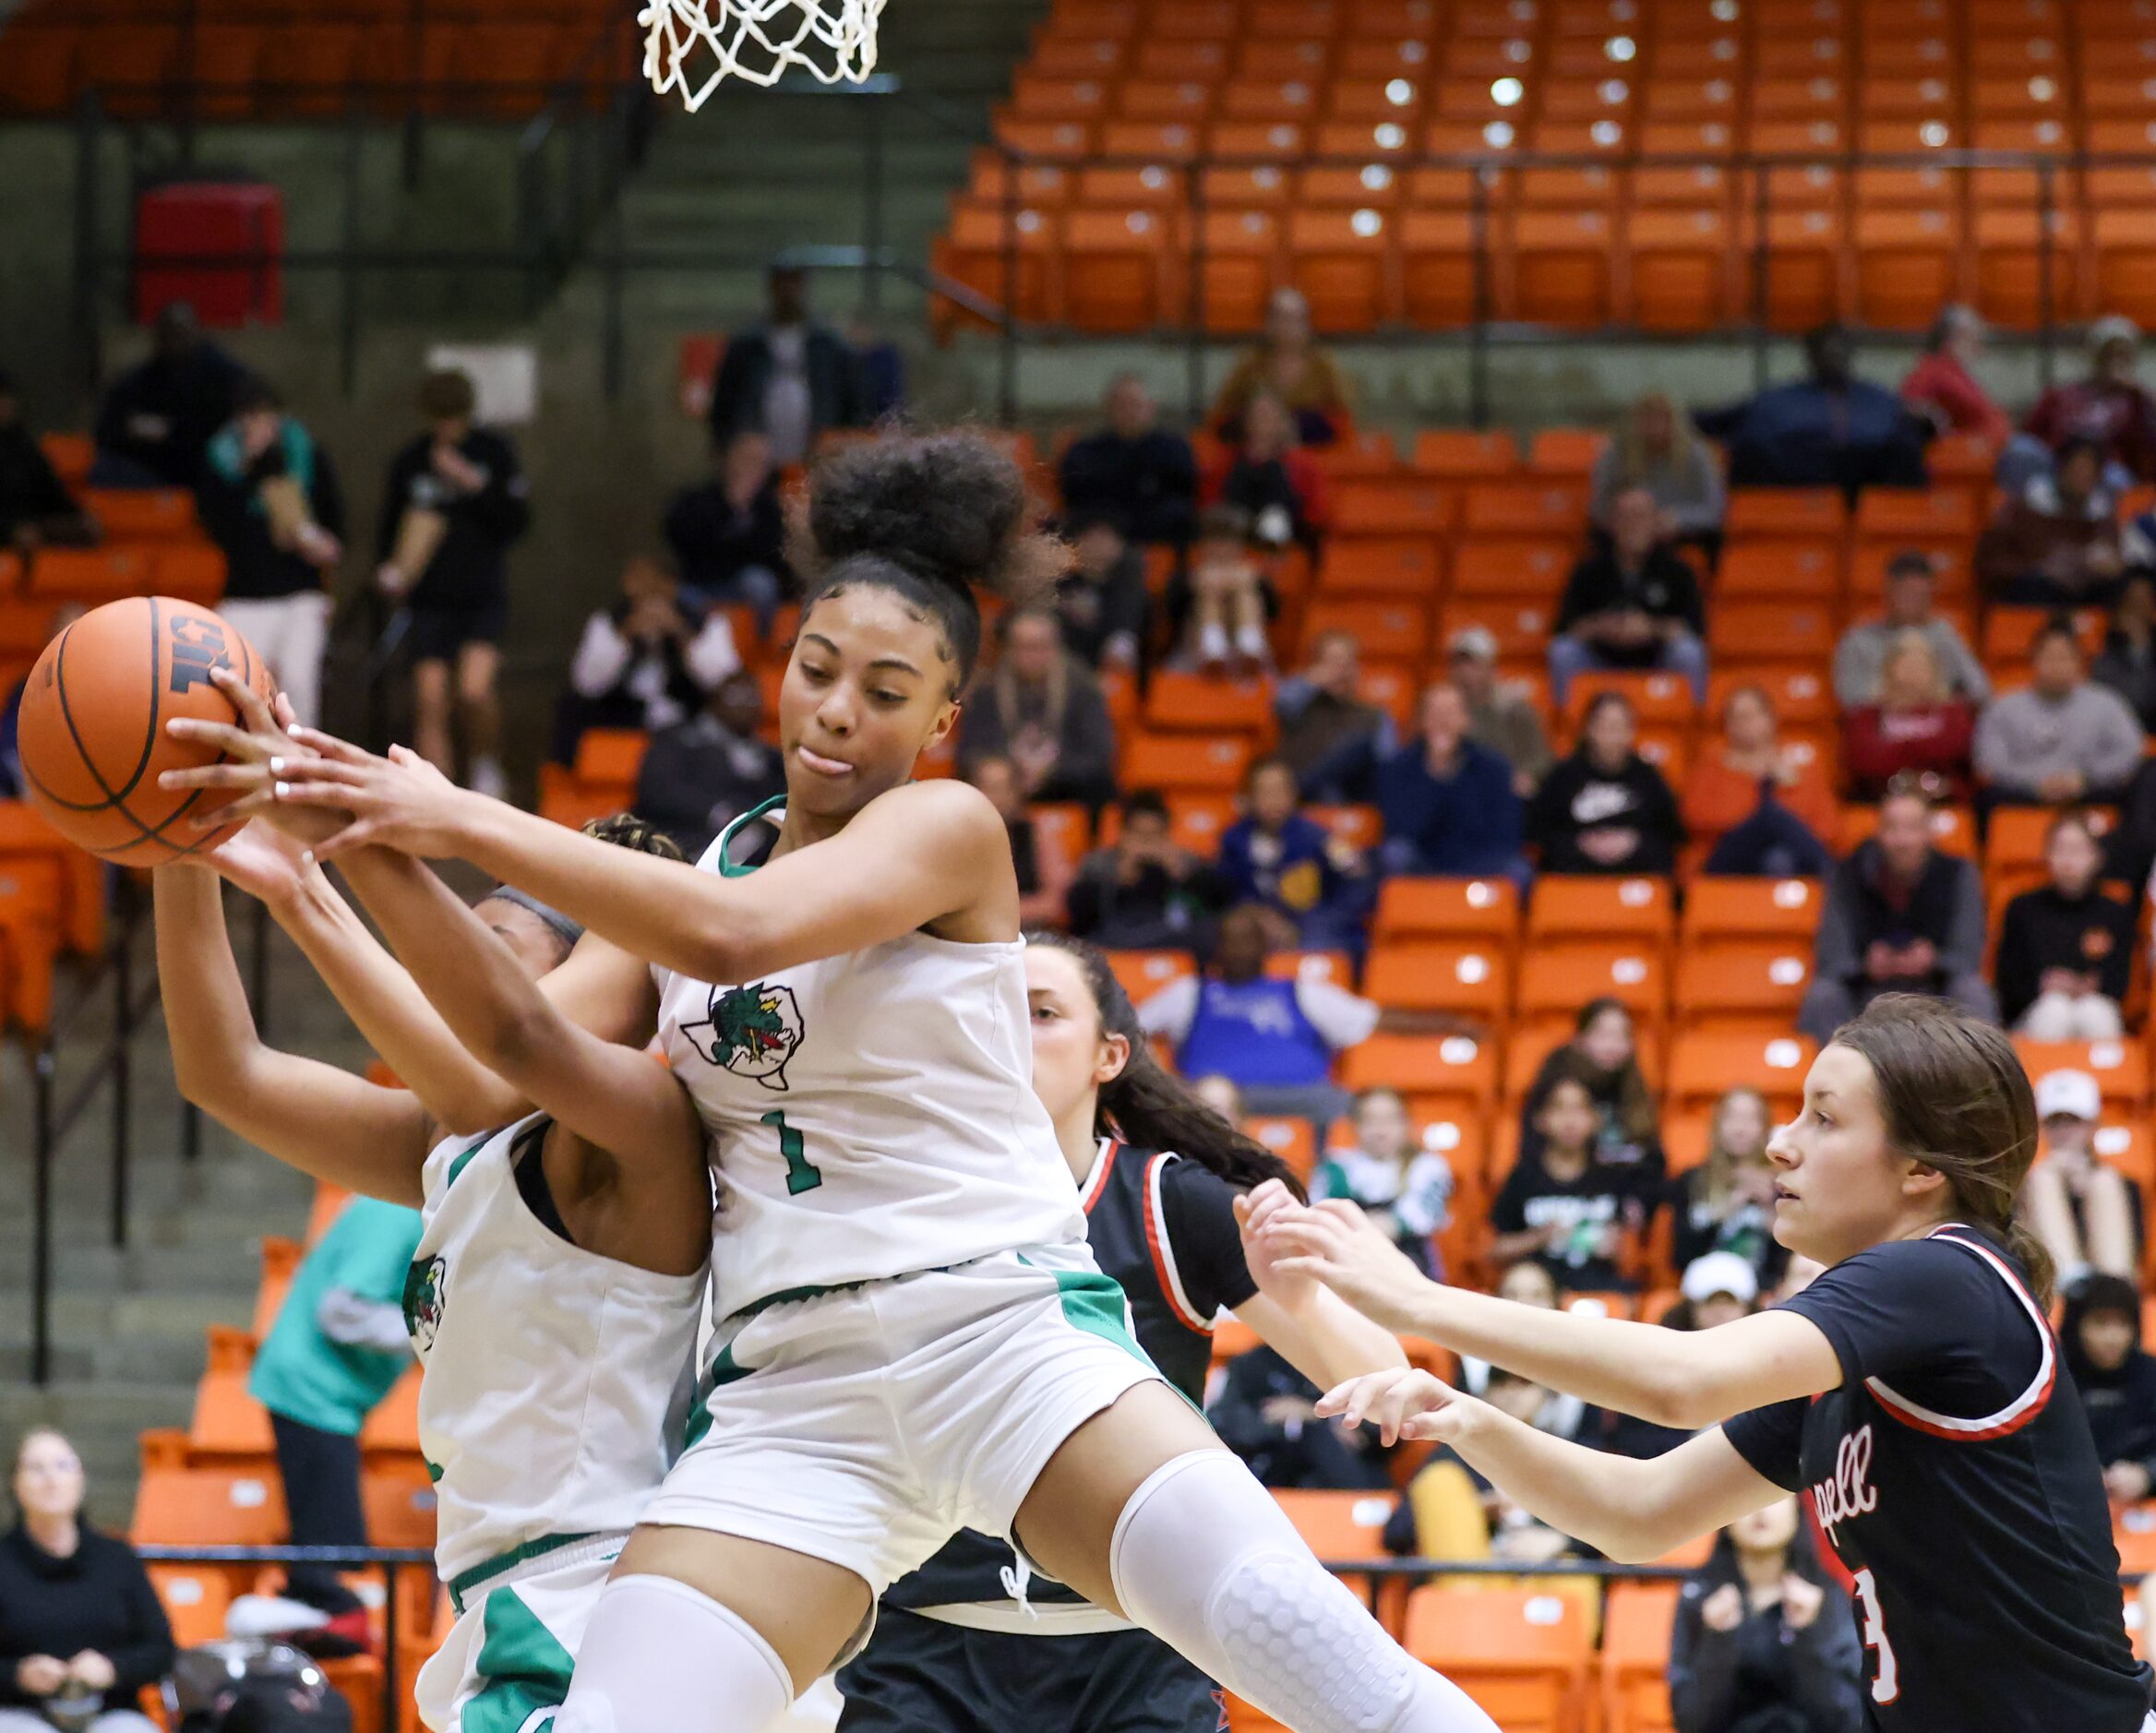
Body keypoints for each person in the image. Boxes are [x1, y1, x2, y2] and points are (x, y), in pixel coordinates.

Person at [235, 430, 1496, 1733]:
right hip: (795, 1389)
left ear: (942, 720)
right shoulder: (703, 866)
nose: (839, 709)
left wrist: (462, 817)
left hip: (1000, 1339)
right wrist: (350, 834)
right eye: (818, 668)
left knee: (1337, 1672)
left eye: (887, 691)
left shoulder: (945, 829)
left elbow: (735, 936)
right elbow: (502, 1065)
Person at [1252, 993, 2156, 1733]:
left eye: (1823, 1118)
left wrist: (1417, 1301)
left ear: (1920, 1166)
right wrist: (1463, 1417)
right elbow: (1637, 1515)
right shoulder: (1851, 1364)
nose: (1779, 1142)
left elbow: (1680, 1380)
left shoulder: (1947, 1272)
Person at [150, 805, 711, 1732]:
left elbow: (501, 1047)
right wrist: (177, 848)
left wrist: (303, 882)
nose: (437, 970)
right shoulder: (451, 1148)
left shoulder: (640, 1132)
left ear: (586, 988)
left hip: (599, 1603)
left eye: (484, 947)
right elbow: (225, 1073)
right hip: (507, 1607)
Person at [839, 930, 1407, 1733]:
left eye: (1041, 1013)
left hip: (1138, 1655)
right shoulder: (897, 1196)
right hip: (928, 1649)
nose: (1010, 1031)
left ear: (1109, 1055)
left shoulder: (1174, 1204)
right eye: (991, 1012)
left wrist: (1304, 1299)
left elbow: (1388, 1387)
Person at [241, 1192, 422, 1648]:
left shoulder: (399, 1210)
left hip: (326, 1399)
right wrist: (435, 1330)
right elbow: (341, 1310)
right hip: (310, 1392)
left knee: (329, 1555)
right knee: (329, 1560)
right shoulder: (395, 1211)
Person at [1138, 902, 1462, 1126]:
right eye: (1231, 942)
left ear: (1265, 948)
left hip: (1301, 1096)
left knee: (1347, 1107)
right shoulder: (1190, 992)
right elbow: (1124, 1026)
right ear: (1217, 948)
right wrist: (1156, 1069)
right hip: (1213, 1100)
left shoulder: (1299, 990)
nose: (1240, 950)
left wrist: (1454, 1024)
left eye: (1248, 941)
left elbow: (1375, 1019)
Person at [374, 367, 532, 797]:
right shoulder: (411, 461)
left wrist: (469, 481)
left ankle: (485, 764)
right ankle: (435, 793)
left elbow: (516, 520)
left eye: (455, 416)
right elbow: (391, 532)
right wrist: (392, 570)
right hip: (428, 599)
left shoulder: (494, 452)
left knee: (474, 690)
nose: (448, 426)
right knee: (429, 698)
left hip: (480, 595)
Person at [196, 376, 343, 731]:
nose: (257, 426)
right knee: (228, 682)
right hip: (246, 594)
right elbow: (217, 527)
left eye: (264, 416)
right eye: (248, 418)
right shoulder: (221, 462)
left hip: (300, 593)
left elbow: (335, 531)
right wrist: (249, 470)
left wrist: (312, 540)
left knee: (296, 678)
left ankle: (303, 765)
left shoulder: (306, 454)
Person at [0, 1428, 172, 1733]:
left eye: (63, 1466)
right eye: (36, 1468)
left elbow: (161, 1648)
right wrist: (18, 1674)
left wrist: (113, 1668)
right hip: (19, 1712)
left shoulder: (117, 1558)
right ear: (15, 1483)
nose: (51, 1479)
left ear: (81, 1479)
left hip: (111, 1711)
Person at [1798, 779, 1994, 1040]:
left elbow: (1968, 955)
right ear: (1878, 832)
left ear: (1930, 833)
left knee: (1974, 991)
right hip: (1865, 996)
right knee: (1822, 996)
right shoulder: (1846, 874)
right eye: (1892, 828)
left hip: (1936, 994)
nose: (1901, 840)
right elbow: (1831, 959)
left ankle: (1975, 1080)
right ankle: (1836, 1078)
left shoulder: (1959, 873)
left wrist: (1932, 960)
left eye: (1912, 828)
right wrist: (1866, 965)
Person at [1668, 1497, 1866, 1733]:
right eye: (1748, 1498)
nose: (1760, 1510)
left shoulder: (1826, 1596)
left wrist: (1810, 1635)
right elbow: (1689, 1722)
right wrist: (1717, 1641)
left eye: (1775, 1497)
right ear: (1724, 1518)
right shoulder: (1699, 1595)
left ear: (1798, 1510)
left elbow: (1847, 1720)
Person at [1694, 323, 1931, 494]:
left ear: (1851, 355)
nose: (1833, 357)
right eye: (1825, 352)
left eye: (1839, 352)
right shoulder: (1777, 400)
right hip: (1795, 487)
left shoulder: (1879, 399)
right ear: (1811, 356)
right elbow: (1716, 421)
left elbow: (1921, 429)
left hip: (1870, 487)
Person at [555, 556, 742, 759]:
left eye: (653, 589)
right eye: (637, 589)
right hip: (622, 718)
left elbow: (724, 683)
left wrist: (681, 633)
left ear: (671, 587)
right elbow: (587, 684)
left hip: (687, 720)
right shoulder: (608, 621)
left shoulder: (706, 622)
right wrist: (625, 635)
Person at [1490, 1071, 1652, 1293]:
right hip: (1538, 1293)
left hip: (1600, 1289)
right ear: (1540, 1119)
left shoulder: (1613, 1179)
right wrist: (1540, 1237)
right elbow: (1494, 1250)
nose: (1570, 1120)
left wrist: (1615, 1246)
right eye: (1559, 1109)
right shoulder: (1523, 1178)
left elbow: (1637, 1252)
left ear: (1596, 1119)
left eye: (1580, 1109)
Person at [1548, 485, 1708, 703]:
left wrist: (1651, 628)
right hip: (1601, 658)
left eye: (1640, 516)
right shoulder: (1588, 571)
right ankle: (1566, 722)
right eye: (1625, 517)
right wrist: (1601, 627)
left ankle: (1691, 722)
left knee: (1689, 652)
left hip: (1657, 660)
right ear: (1611, 523)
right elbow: (1566, 629)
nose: (1633, 525)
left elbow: (1693, 630)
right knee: (1562, 651)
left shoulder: (1678, 571)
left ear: (1656, 521)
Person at [955, 604, 1120, 808]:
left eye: (1039, 646)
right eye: (1022, 647)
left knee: (1101, 784)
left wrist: (1050, 771)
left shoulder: (1082, 689)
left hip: (1066, 787)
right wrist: (1011, 771)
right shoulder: (988, 692)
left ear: (1055, 648)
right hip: (1006, 789)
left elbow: (1098, 753)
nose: (1031, 656)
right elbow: (970, 751)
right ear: (1009, 649)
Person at [1974, 618, 2146, 808]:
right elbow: (1989, 761)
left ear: (2079, 662)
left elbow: (2130, 750)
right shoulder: (2003, 707)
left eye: (2064, 658)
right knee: (1988, 796)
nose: (2057, 666)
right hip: (2023, 794)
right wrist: (2036, 781)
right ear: (2034, 660)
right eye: (2049, 657)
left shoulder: (2107, 703)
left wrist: (2085, 777)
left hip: (2089, 790)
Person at [1994, 810, 2136, 1038]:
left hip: (2095, 1005)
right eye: (2060, 849)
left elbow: (2120, 982)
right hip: (2035, 1011)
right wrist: (2042, 984)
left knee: (2095, 1012)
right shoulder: (2022, 908)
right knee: (2055, 1010)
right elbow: (2007, 980)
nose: (2068, 860)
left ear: (2097, 857)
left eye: (2078, 851)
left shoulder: (2115, 913)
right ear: (2046, 855)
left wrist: (2087, 986)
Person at [707, 263, 864, 464]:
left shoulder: (829, 346)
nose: (788, 290)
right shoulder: (746, 346)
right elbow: (723, 407)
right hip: (757, 464)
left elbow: (852, 405)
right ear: (771, 287)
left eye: (794, 281)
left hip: (817, 459)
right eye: (782, 281)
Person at [1217, 755, 1375, 953]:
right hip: (1257, 928)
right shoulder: (1234, 841)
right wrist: (1256, 916)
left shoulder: (1322, 840)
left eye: (1280, 791)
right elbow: (1226, 894)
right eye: (1264, 792)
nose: (1273, 801)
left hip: (1314, 928)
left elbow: (1358, 883)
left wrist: (1308, 923)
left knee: (1318, 943)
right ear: (1248, 798)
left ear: (1294, 795)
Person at [1374, 683, 1527, 879]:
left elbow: (1506, 837)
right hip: (1422, 864)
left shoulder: (1494, 769)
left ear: (1466, 721)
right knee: (1394, 854)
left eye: (1450, 713)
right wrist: (1436, 774)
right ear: (1423, 721)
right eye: (1435, 713)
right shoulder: (1398, 769)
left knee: (1518, 869)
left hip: (1479, 863)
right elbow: (1401, 831)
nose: (1442, 722)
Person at [632, 669, 786, 861]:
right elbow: (658, 791)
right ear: (714, 699)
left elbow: (783, 802)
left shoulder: (771, 757)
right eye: (737, 695)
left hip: (754, 846)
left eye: (753, 697)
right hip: (682, 838)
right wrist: (717, 812)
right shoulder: (678, 740)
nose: (747, 704)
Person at [1526, 691, 1685, 875]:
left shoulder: (1648, 776)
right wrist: (1581, 842)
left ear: (1631, 732)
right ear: (1589, 730)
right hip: (1576, 870)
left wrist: (1633, 841)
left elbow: (1672, 832)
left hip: (1635, 869)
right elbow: (1540, 831)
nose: (1613, 737)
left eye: (1620, 727)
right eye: (1606, 727)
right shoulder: (1564, 775)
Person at [1684, 685, 1836, 878]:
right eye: (1734, 717)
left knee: (1778, 859)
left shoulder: (1802, 767)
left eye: (1750, 715)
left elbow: (1828, 828)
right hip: (1725, 857)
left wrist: (1790, 789)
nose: (1742, 724)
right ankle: (1832, 875)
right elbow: (1694, 816)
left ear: (1771, 718)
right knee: (1769, 816)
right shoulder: (1712, 764)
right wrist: (1756, 818)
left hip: (1790, 858)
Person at [90, 302, 243, 488]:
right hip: (151, 466)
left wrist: (169, 430)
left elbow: (218, 435)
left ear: (197, 333)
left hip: (203, 472)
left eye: (180, 333)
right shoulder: (142, 378)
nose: (174, 341)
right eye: (167, 334)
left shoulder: (222, 376)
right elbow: (109, 428)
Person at [1312, 1087, 1455, 1279]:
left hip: (1411, 1266)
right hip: (1346, 1263)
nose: (1380, 1131)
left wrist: (1380, 1226)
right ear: (1355, 1125)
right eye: (1370, 1121)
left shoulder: (1428, 1166)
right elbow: (1319, 1215)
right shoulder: (1336, 1166)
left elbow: (1422, 1216)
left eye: (1390, 1120)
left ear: (1406, 1123)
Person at [1209, 1345, 1395, 1492]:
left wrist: (1320, 1417)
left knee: (1319, 1437)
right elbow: (1225, 1425)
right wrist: (1288, 1424)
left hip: (1342, 1473)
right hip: (1269, 1468)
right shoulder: (1251, 1365)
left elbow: (1382, 1432)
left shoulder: (1348, 1363)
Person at [1064, 789, 1230, 952]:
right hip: (1113, 937)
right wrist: (1117, 881)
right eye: (1140, 834)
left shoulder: (1185, 861)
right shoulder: (1099, 863)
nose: (1147, 843)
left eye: (1155, 835)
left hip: (1172, 937)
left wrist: (1184, 878)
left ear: (1167, 834)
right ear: (1123, 833)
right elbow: (1078, 916)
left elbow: (1219, 902)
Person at [2023, 1069, 2142, 1292]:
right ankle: (2070, 1280)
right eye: (2055, 1122)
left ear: (2093, 1125)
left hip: (2115, 1284)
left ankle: (2112, 1289)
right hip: (2048, 1285)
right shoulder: (2030, 1182)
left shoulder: (2120, 1182)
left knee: (2104, 1181)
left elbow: (2140, 1242)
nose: (2064, 1131)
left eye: (2074, 1121)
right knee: (2042, 1179)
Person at [1976, 436, 2127, 609]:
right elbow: (1992, 563)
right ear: (2061, 468)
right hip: (2035, 592)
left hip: (2085, 591)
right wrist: (2040, 568)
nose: (2083, 477)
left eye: (2090, 472)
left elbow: (2112, 556)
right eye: (2077, 469)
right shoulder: (2023, 508)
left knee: (2122, 586)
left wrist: (2111, 565)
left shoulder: (2102, 514)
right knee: (2036, 586)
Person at [663, 429, 790, 629]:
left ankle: (757, 648)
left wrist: (744, 511)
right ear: (730, 458)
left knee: (760, 582)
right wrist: (731, 506)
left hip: (744, 587)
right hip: (700, 584)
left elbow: (773, 557)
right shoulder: (697, 500)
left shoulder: (769, 509)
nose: (753, 468)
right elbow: (685, 540)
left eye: (761, 462)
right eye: (748, 459)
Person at [1830, 549, 1989, 710]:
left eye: (1918, 595)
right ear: (1888, 591)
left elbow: (1979, 690)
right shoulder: (1859, 640)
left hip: (1936, 725)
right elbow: (1850, 698)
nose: (1910, 602)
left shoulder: (1944, 635)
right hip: (1878, 728)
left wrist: (1937, 699)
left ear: (1930, 594)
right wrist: (1899, 700)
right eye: (1904, 593)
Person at [2014, 314, 2156, 491]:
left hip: (2104, 475)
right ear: (2094, 355)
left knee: (2117, 479)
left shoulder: (2136, 402)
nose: (2115, 360)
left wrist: (2142, 397)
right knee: (2020, 450)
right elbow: (2029, 433)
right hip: (2058, 471)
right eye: (2108, 353)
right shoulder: (2062, 395)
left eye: (2122, 354)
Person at [1058, 374, 1199, 548]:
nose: (1129, 412)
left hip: (1158, 536)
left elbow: (1184, 494)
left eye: (1136, 404)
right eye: (1121, 405)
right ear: (1108, 408)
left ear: (1151, 406)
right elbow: (1077, 499)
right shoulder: (1085, 452)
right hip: (1102, 539)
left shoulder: (1175, 449)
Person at [1669, 1088, 1788, 1292]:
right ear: (1716, 1125)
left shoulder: (1783, 1184)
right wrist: (1729, 1206)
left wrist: (1769, 1209)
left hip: (1765, 1291)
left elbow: (1792, 1262)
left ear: (1765, 1128)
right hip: (1707, 1290)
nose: (1740, 1129)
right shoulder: (1693, 1181)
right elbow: (1681, 1257)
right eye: (1732, 1118)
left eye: (1751, 1119)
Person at [1840, 631, 1979, 803]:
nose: (1913, 672)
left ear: (1935, 671)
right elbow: (1865, 761)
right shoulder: (1866, 715)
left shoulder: (1954, 712)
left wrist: (1895, 751)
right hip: (1881, 798)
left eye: (1921, 665)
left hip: (1943, 799)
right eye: (1906, 664)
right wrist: (1926, 753)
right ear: (1889, 668)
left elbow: (1956, 748)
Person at [1210, 287, 1353, 447]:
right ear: (1268, 323)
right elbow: (1223, 415)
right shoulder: (1250, 364)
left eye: (1294, 319)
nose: (1286, 326)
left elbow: (1343, 419)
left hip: (1310, 451)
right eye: (1280, 318)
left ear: (1307, 325)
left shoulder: (1324, 367)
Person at [1589, 392, 1727, 556]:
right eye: (1647, 419)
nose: (1654, 427)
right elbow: (1599, 508)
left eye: (1661, 418)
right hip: (1626, 535)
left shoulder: (1697, 455)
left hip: (1682, 534)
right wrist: (1629, 523)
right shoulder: (1616, 454)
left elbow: (1713, 510)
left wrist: (1677, 520)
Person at [2061, 1275, 2156, 1510]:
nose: (2113, 1337)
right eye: (2100, 1323)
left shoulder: (2151, 1375)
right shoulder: (2052, 1380)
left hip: (2141, 1512)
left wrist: (2147, 1475)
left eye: (2123, 1324)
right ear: (2077, 1326)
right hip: (2067, 1507)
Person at [1204, 388, 1329, 557]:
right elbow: (1209, 504)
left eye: (1270, 416)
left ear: (1282, 422)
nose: (1263, 422)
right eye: (1258, 416)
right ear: (1246, 421)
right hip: (1233, 532)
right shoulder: (1225, 463)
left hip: (1286, 533)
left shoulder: (1302, 465)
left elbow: (1316, 512)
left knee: (1274, 475)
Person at [1275, 629, 1395, 801]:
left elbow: (1388, 765)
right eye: (1331, 663)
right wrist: (1311, 680)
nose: (1339, 672)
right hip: (1305, 797)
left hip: (1353, 797)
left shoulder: (1375, 715)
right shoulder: (1300, 707)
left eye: (1346, 664)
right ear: (1316, 668)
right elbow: (1282, 703)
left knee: (1362, 746)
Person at [1162, 505, 1277, 674]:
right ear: (1204, 544)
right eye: (1216, 541)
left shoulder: (1252, 576)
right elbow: (1171, 615)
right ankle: (1212, 646)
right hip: (1194, 652)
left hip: (1245, 655)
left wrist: (1252, 582)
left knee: (1244, 594)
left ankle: (1249, 644)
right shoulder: (1186, 576)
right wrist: (1195, 585)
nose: (1222, 549)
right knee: (1209, 594)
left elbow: (1274, 612)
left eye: (1229, 541)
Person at [968, 754, 1075, 930]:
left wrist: (997, 914)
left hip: (1028, 934)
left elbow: (1056, 902)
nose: (995, 798)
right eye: (986, 787)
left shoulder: (1038, 833)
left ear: (1017, 793)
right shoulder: (956, 837)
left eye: (1002, 788)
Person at [1446, 626, 1552, 797]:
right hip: (1458, 789)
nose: (1466, 673)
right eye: (1460, 664)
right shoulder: (1443, 709)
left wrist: (1525, 774)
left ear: (1492, 668)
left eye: (1474, 665)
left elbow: (1541, 758)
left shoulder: (1515, 709)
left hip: (1506, 788)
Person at [0, 370, 93, 549]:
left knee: (82, 530)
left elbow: (51, 492)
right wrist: (10, 530)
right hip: (8, 536)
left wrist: (78, 514)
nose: (6, 404)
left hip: (33, 528)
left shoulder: (23, 447)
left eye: (7, 398)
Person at [1899, 304, 2012, 447]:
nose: (1980, 350)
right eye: (1974, 340)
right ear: (1954, 337)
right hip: (1967, 452)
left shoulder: (1956, 371)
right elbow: (1909, 406)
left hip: (1989, 448)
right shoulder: (1931, 371)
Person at [1054, 513, 1150, 675]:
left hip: (1116, 667)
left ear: (1119, 545)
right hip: (1067, 665)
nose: (1097, 546)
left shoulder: (1131, 589)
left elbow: (1133, 632)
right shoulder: (1061, 586)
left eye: (1104, 538)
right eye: (1090, 538)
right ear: (1076, 543)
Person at [2094, 573, 2156, 731]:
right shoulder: (2104, 659)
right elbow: (2110, 704)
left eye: (2145, 601)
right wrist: (2136, 646)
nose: (2139, 609)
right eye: (2133, 602)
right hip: (2116, 732)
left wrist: (2141, 646)